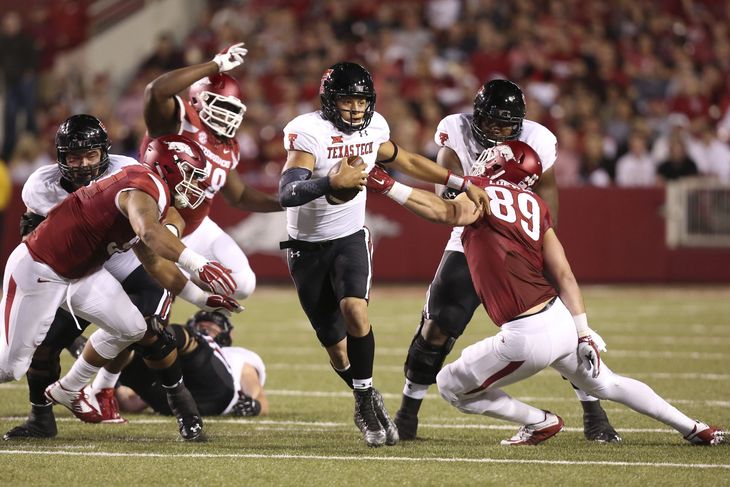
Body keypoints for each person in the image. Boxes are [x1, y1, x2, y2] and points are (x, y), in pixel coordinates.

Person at [367, 140, 725, 446]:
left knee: (448, 385)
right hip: (559, 318)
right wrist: (583, 331)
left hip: (526, 334)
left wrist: (389, 186)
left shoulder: (482, 190)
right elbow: (564, 274)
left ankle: (539, 421)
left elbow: (444, 212)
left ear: (502, 165)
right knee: (609, 383)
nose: (485, 159)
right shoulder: (538, 206)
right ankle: (695, 428)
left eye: (493, 156)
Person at [392, 79, 620, 443]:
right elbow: (446, 195)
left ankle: (594, 412)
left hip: (520, 238)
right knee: (438, 324)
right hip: (472, 233)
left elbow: (547, 196)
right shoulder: (455, 130)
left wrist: (537, 242)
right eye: (492, 122)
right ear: (477, 116)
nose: (498, 131)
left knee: (560, 324)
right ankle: (407, 414)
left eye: (506, 124)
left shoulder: (538, 139)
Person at [278, 61, 489, 448]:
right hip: (306, 249)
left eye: (361, 101)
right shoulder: (308, 131)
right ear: (329, 101)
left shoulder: (374, 128)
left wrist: (462, 182)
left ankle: (363, 401)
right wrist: (330, 182)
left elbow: (406, 160)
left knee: (355, 310)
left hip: (349, 238)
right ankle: (365, 394)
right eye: (347, 100)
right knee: (335, 349)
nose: (356, 109)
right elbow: (287, 192)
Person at [0, 129, 242, 442]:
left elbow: (152, 260)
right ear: (169, 169)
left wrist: (201, 299)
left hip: (83, 273)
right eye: (190, 174)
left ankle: (70, 389)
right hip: (40, 270)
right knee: (10, 367)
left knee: (133, 327)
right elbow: (151, 233)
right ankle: (55, 401)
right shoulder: (142, 186)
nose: (195, 184)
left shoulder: (147, 186)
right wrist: (199, 264)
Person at [142, 41, 282, 302]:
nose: (227, 115)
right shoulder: (179, 120)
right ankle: (171, 277)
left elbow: (239, 196)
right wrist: (214, 65)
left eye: (232, 110)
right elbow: (157, 91)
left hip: (196, 228)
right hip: (154, 225)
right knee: (149, 301)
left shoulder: (228, 146)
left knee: (243, 284)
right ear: (197, 100)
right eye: (221, 106)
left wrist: (284, 203)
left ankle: (181, 272)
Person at [116, 310, 268, 418]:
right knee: (123, 356)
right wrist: (115, 390)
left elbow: (258, 394)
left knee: (171, 338)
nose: (205, 331)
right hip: (173, 401)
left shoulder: (235, 354)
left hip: (214, 394)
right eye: (201, 327)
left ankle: (157, 332)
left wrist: (254, 406)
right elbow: (132, 403)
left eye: (211, 328)